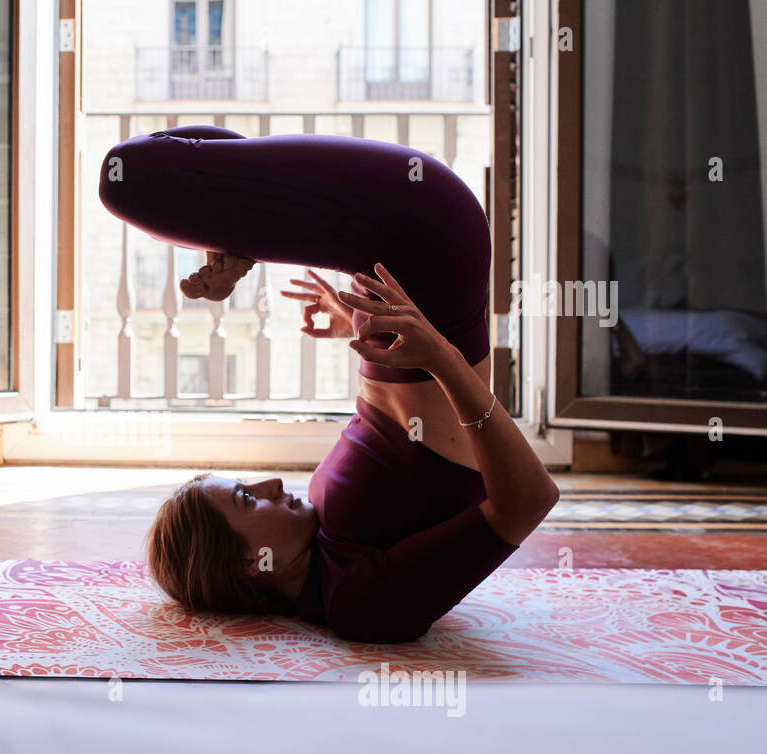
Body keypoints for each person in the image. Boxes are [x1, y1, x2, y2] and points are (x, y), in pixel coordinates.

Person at [99, 125, 559, 643]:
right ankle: (236, 240)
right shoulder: (361, 602)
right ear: (250, 564)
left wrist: (353, 323)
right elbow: (527, 502)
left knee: (187, 168)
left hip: (390, 268)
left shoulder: (323, 547)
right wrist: (444, 359)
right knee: (131, 177)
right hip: (423, 241)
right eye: (248, 501)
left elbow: (397, 433)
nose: (270, 484)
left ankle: (237, 241)